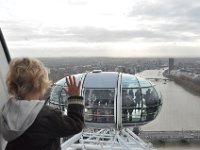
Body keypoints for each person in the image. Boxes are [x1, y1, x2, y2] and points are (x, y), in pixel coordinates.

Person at [0, 57, 84, 150]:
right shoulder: (47, 115)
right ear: (40, 84)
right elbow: (75, 125)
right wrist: (75, 98)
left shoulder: (7, 110)